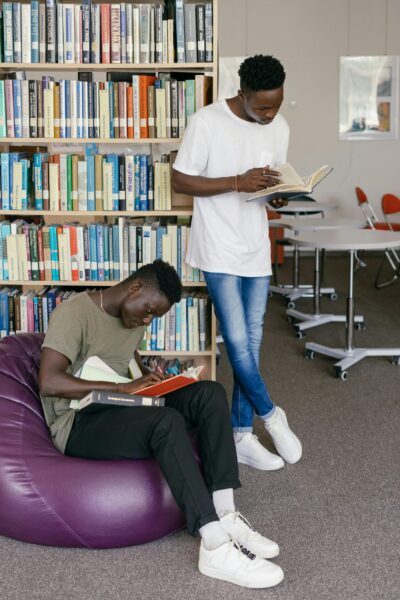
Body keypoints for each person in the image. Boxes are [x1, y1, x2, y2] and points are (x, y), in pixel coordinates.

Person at [39, 259, 284, 589]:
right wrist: (121, 388)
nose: (147, 320)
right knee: (166, 422)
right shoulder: (74, 313)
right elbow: (50, 381)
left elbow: (124, 367)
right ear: (135, 288)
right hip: (78, 420)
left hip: (119, 405)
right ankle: (214, 545)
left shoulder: (133, 317)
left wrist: (152, 382)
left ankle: (226, 513)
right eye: (149, 311)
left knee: (209, 393)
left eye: (154, 316)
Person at [172, 54, 302, 471]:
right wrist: (235, 182)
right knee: (238, 339)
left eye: (276, 106)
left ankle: (241, 434)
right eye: (262, 106)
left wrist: (277, 193)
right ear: (242, 93)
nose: (270, 114)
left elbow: (269, 183)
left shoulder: (278, 127)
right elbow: (179, 179)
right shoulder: (207, 122)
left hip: (254, 247)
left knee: (255, 340)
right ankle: (271, 414)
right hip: (217, 246)